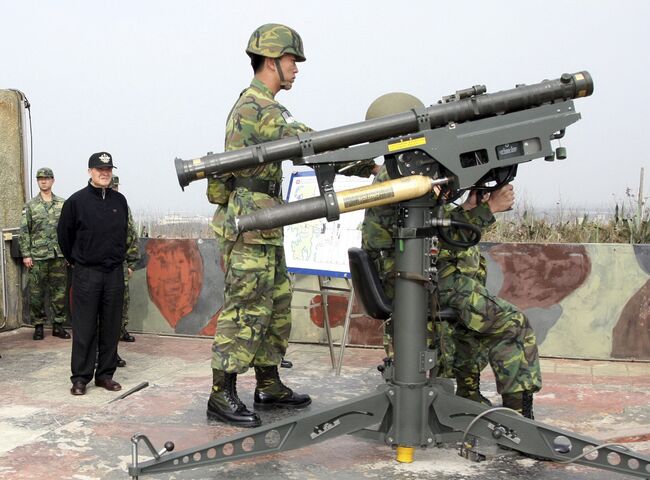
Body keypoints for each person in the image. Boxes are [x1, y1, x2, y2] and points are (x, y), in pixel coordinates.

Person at [207, 24, 376, 428]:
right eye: (291, 60)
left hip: (266, 218)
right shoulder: (257, 107)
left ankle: (268, 384)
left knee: (277, 305)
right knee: (246, 308)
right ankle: (221, 393)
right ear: (270, 61)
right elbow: (311, 145)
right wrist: (371, 160)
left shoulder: (264, 106)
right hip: (250, 220)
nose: (296, 69)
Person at [361, 93, 541, 418]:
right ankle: (522, 423)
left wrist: (470, 208)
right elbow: (435, 242)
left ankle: (469, 399)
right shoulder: (405, 175)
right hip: (414, 279)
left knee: (473, 307)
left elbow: (435, 229)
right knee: (513, 324)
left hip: (416, 275)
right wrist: (488, 210)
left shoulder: (401, 170)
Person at [57, 152, 132, 396]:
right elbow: (64, 236)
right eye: (100, 169)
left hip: (113, 273)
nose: (105, 173)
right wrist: (77, 260)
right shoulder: (76, 202)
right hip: (87, 273)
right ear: (90, 171)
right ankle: (80, 378)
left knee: (111, 326)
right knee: (85, 327)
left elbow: (125, 234)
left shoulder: (119, 201)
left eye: (108, 169)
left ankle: (105, 375)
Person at [18, 167, 70, 341]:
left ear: (53, 180)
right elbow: (25, 232)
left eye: (46, 178)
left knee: (60, 292)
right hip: (38, 256)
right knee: (36, 293)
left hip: (59, 255)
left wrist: (70, 254)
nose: (43, 181)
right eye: (40, 179)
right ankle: (38, 326)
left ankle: (58, 326)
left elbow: (69, 230)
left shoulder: (63, 204)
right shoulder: (31, 206)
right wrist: (26, 254)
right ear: (37, 181)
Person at [110, 175, 140, 345]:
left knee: (123, 300)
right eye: (112, 186)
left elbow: (131, 235)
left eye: (116, 187)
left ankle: (121, 329)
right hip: (102, 265)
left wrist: (131, 263)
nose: (114, 189)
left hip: (121, 264)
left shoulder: (122, 206)